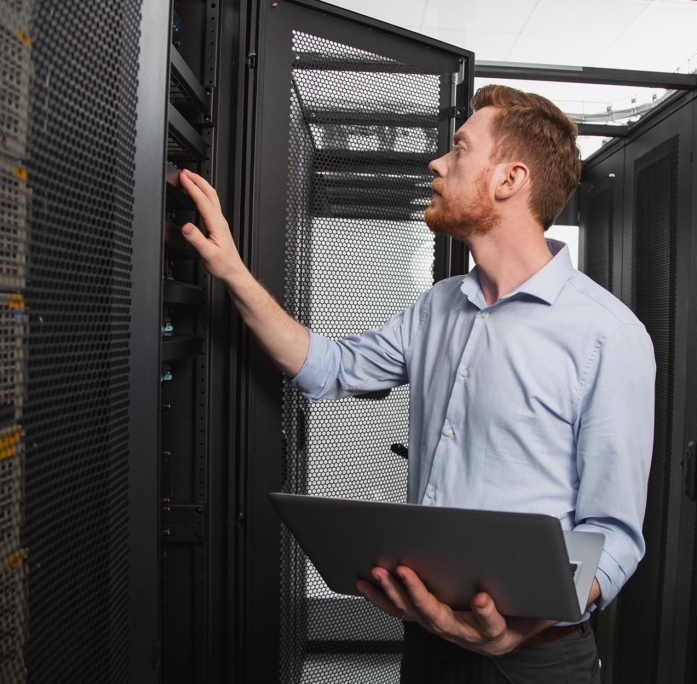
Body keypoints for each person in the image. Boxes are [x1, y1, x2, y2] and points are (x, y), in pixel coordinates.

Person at [179, 84, 655, 684]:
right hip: (429, 640)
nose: (437, 162)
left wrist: (519, 629)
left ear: (509, 180)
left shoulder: (608, 335)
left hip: (537, 659)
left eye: (459, 150)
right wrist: (232, 271)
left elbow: (611, 534)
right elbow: (328, 367)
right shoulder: (437, 308)